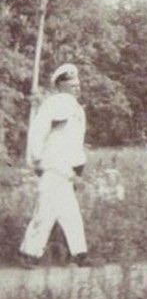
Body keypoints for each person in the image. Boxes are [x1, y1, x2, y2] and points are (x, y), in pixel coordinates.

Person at [19, 63, 91, 268]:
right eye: (71, 85)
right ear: (60, 86)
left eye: (78, 85)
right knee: (47, 211)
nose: (77, 88)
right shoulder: (55, 103)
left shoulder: (77, 110)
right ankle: (29, 253)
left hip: (66, 169)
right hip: (52, 166)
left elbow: (75, 143)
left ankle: (78, 254)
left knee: (67, 212)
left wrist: (78, 168)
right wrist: (37, 158)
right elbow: (38, 131)